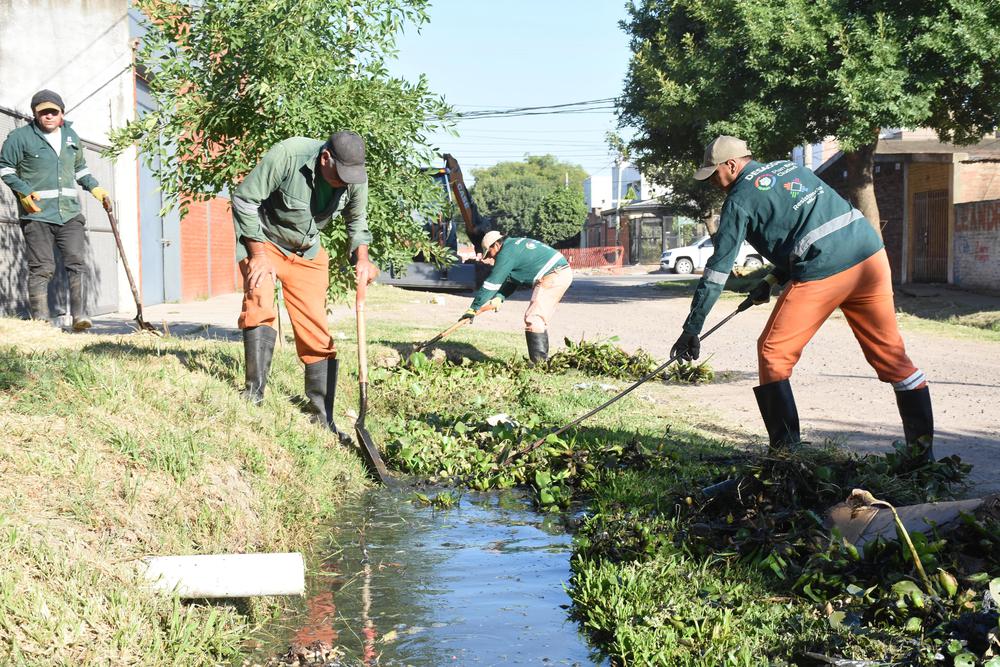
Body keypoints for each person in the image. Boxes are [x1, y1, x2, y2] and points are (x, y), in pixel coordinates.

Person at [671, 135, 934, 461]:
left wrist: (692, 327)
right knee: (893, 358)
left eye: (714, 172)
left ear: (732, 164)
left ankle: (785, 456)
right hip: (870, 258)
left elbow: (717, 271)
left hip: (826, 270)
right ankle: (923, 461)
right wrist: (770, 279)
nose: (712, 180)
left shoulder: (739, 200)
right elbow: (812, 228)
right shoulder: (791, 169)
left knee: (773, 352)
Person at [230, 131, 379, 443]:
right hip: (266, 242)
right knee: (260, 304)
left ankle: (322, 416)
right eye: (340, 175)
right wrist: (257, 254)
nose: (345, 182)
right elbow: (244, 198)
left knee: (315, 329)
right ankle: (253, 396)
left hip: (308, 251)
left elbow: (358, 223)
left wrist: (363, 258)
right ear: (325, 158)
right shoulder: (288, 154)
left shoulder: (353, 175)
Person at [0, 89, 112, 330]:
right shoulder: (19, 138)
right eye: (43, 113)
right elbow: (5, 168)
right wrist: (22, 191)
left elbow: (80, 169)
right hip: (37, 214)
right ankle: (40, 322)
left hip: (70, 213)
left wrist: (97, 190)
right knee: (42, 268)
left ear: (62, 113)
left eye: (54, 112)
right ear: (35, 115)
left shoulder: (71, 136)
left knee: (76, 262)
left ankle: (79, 316)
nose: (49, 116)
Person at [461, 231, 573, 363]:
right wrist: (499, 297)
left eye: (490, 253)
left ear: (496, 245)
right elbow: (513, 280)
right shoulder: (513, 245)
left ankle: (540, 363)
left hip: (554, 274)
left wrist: (473, 308)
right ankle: (541, 362)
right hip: (559, 271)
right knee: (537, 318)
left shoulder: (506, 253)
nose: (491, 258)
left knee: (534, 318)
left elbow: (491, 284)